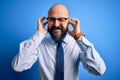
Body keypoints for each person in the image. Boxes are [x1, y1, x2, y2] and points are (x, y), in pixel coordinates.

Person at [12, 3, 106, 80]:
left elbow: (99, 70)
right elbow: (17, 66)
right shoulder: (39, 43)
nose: (56, 24)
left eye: (61, 19)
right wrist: (38, 34)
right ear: (47, 21)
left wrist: (79, 37)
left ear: (69, 21)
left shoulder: (78, 44)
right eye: (52, 19)